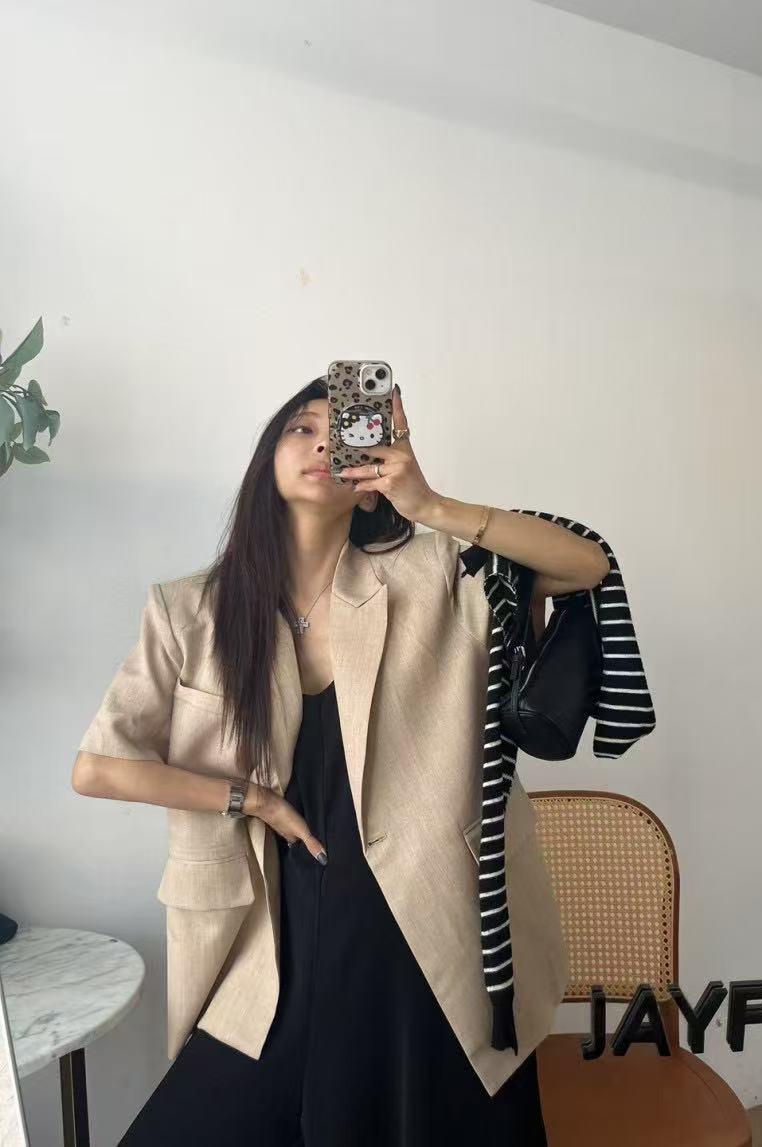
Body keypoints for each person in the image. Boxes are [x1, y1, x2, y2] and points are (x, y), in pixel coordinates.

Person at [72, 375, 609, 1145]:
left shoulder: (433, 572)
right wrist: (250, 798)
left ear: (370, 478)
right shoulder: (190, 610)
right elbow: (97, 767)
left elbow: (586, 565)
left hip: (425, 938)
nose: (323, 442)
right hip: (268, 947)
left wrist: (429, 503)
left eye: (344, 431)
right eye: (302, 427)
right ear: (268, 458)